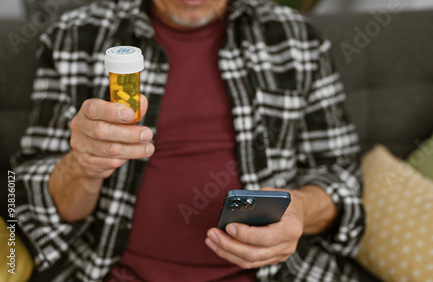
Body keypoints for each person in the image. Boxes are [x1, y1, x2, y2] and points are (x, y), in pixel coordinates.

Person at [12, 0, 365, 280]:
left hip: (277, 274)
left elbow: (342, 177)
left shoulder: (298, 38)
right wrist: (83, 164)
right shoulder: (74, 37)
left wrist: (301, 208)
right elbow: (27, 201)